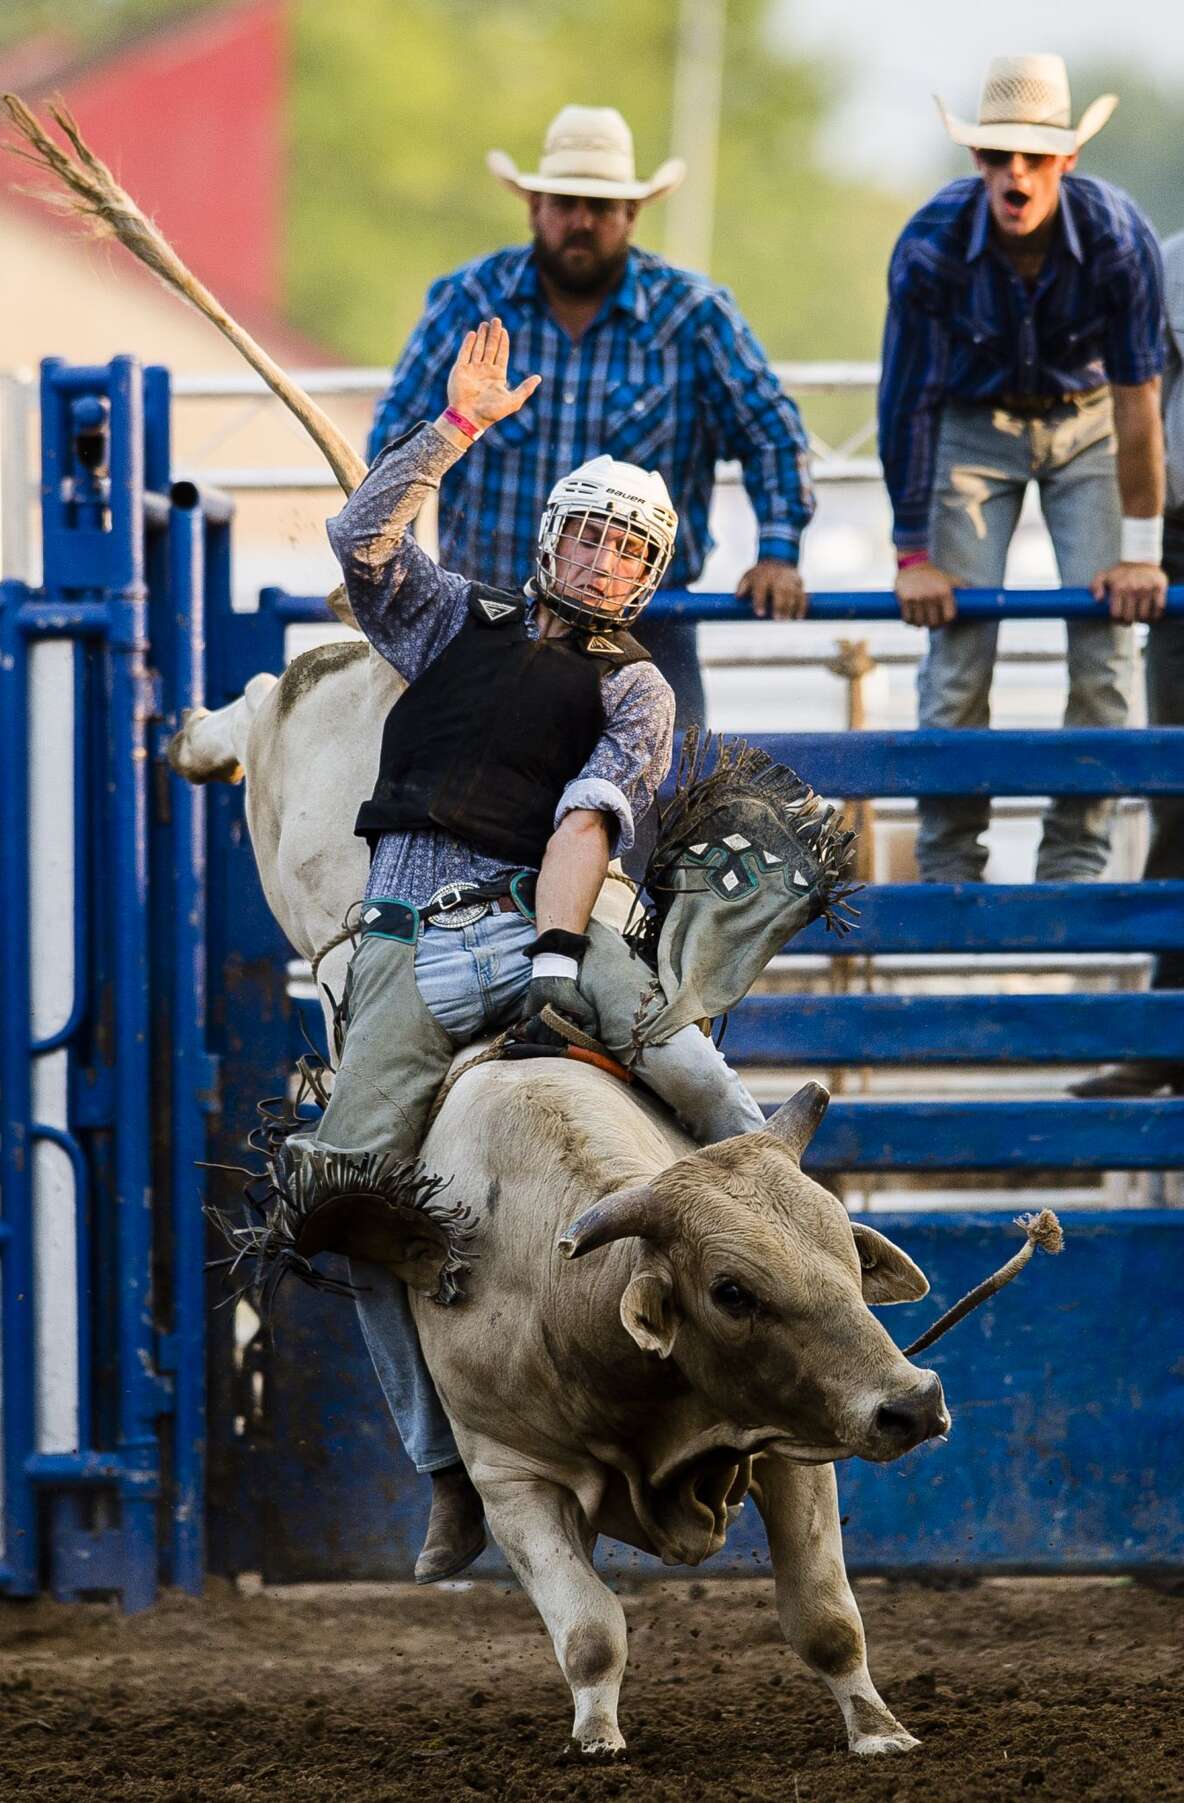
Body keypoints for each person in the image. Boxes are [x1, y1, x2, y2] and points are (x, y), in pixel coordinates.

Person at [225, 320, 846, 1589]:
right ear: (553, 534)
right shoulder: (454, 616)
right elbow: (363, 545)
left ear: (648, 573)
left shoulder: (638, 690)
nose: (603, 557)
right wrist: (453, 431)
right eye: (588, 532)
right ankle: (448, 1473)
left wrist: (560, 952)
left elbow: (590, 816)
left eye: (628, 546)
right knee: (340, 1202)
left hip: (545, 913)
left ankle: (833, 1291)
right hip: (405, 937)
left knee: (713, 1093)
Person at [368, 104, 814, 749]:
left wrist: (777, 552)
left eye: (601, 208)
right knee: (460, 804)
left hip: (645, 621)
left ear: (631, 216)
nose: (582, 222)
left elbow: (771, 432)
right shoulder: (471, 299)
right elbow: (400, 436)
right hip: (493, 614)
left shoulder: (692, 315)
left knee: (666, 804)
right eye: (567, 202)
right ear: (535, 208)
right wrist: (393, 571)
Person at [878, 54, 1167, 882]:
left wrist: (1140, 548)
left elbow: (1138, 397)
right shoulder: (931, 245)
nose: (1016, 174)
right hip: (971, 429)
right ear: (976, 163)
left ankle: (1075, 865)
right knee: (957, 656)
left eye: (1034, 157)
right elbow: (908, 402)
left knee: (1108, 651)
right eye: (999, 156)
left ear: (1066, 163)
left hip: (1091, 426)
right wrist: (912, 555)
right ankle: (949, 871)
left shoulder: (1117, 237)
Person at [1071, 229, 1184, 1098]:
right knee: (1178, 798)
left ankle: (1160, 1038)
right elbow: (1142, 406)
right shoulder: (1170, 262)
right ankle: (1165, 1034)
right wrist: (1142, 542)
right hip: (1180, 544)